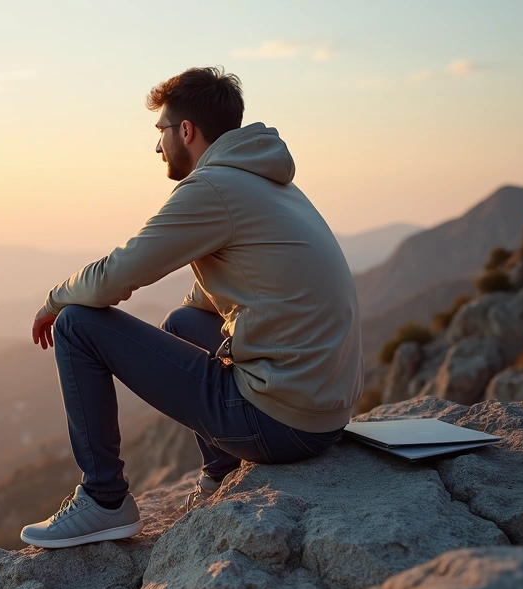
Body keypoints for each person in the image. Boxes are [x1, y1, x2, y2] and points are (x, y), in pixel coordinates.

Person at [20, 66, 363, 549]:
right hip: (323, 415)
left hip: (281, 426)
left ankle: (104, 500)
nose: (157, 147)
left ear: (186, 131)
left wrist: (55, 300)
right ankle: (220, 475)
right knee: (182, 320)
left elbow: (119, 274)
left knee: (77, 322)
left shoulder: (213, 189)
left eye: (160, 131)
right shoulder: (266, 181)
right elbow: (229, 291)